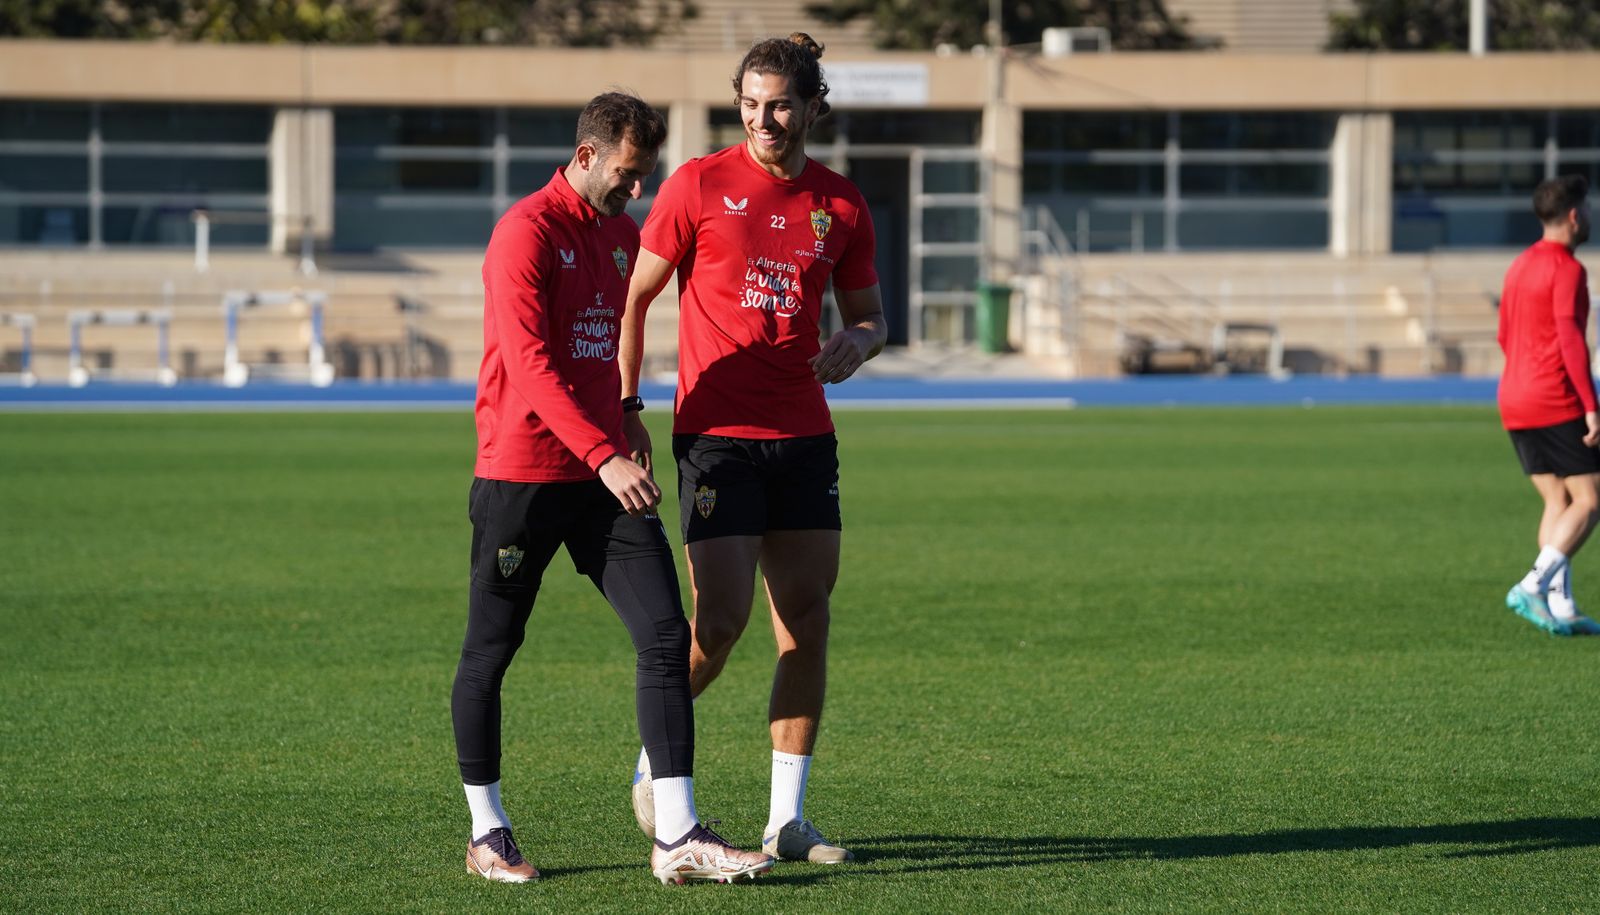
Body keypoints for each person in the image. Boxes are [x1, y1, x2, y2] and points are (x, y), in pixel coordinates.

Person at [450, 90, 773, 886]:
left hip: (602, 476)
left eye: (647, 177)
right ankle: (487, 830)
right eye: (629, 175)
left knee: (667, 635)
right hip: (523, 475)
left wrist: (627, 413)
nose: (638, 192)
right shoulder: (522, 233)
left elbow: (606, 346)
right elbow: (530, 367)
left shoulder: (623, 236)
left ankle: (676, 834)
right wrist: (603, 453)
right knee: (492, 650)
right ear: (587, 155)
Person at [618, 33, 888, 864]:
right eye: (750, 104)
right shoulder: (697, 184)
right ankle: (654, 764)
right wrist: (626, 407)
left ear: (812, 107)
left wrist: (859, 343)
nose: (764, 119)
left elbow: (872, 317)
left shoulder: (841, 205)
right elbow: (634, 299)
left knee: (805, 625)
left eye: (779, 104)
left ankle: (787, 819)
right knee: (721, 622)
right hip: (716, 437)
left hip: (805, 437)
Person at [1499, 173, 1600, 637]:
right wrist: (1591, 404)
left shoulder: (1519, 265)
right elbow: (1570, 339)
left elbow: (1504, 334)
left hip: (1514, 396)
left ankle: (1562, 606)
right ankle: (1534, 585)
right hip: (1553, 395)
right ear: (1574, 216)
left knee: (1558, 499)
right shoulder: (1567, 268)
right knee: (1590, 498)